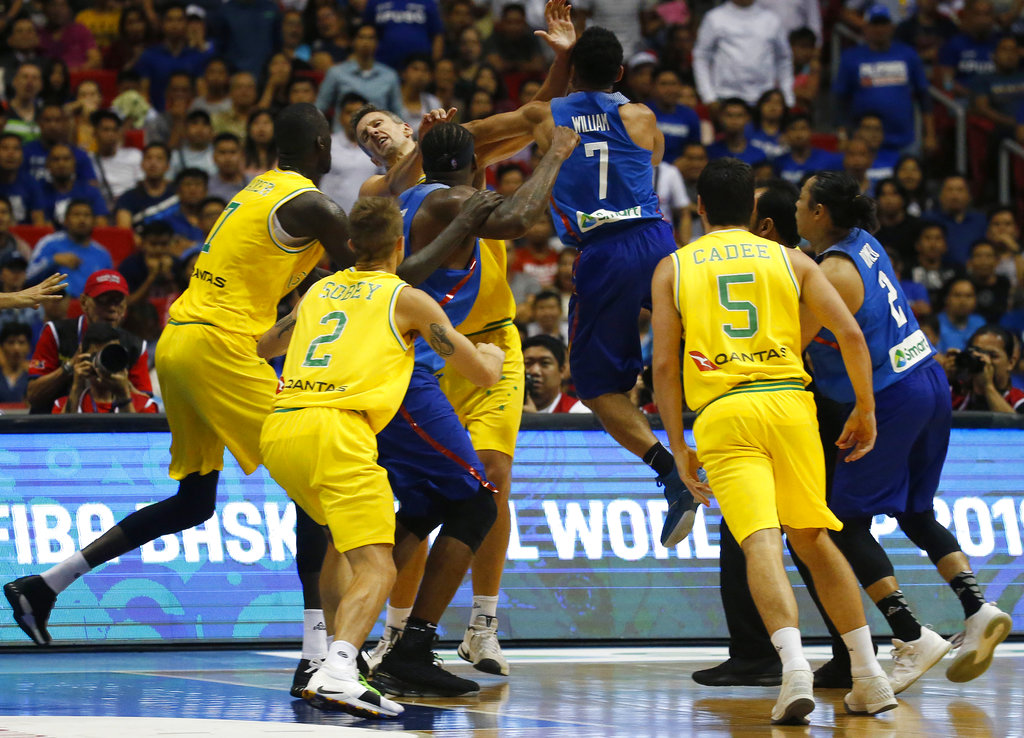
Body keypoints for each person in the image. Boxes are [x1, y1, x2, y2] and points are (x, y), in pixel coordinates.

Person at [2, 105, 356, 661]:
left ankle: (45, 585)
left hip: (180, 342)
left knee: (194, 503)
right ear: (321, 143)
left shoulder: (261, 188)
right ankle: (316, 655)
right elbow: (376, 265)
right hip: (220, 345)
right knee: (316, 483)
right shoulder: (312, 204)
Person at [355, 0, 576, 677]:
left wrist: (564, 56)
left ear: (403, 117)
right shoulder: (382, 187)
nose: (373, 136)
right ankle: (397, 630)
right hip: (424, 351)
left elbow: (540, 111)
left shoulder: (465, 151)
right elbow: (397, 189)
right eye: (363, 134)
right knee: (426, 499)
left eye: (378, 123)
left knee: (493, 481)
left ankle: (481, 624)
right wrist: (425, 148)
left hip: (491, 343)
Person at [651, 158, 895, 725]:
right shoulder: (792, 259)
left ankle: (794, 672)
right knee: (813, 537)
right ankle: (869, 673)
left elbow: (664, 365)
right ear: (756, 212)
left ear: (702, 209)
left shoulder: (673, 268)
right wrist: (866, 409)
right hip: (791, 404)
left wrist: (676, 446)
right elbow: (851, 334)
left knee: (761, 543)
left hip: (724, 411)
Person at [257, 194, 503, 718]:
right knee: (377, 567)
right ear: (399, 245)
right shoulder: (407, 298)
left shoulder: (320, 288)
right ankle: (341, 669)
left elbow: (266, 345)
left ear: (349, 246)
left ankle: (327, 659)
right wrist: (495, 353)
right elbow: (479, 375)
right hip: (338, 429)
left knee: (343, 549)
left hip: (282, 429)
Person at [467, 25, 704, 548]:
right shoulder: (642, 117)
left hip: (603, 252)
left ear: (571, 72)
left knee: (596, 388)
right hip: (657, 241)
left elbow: (473, 136)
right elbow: (651, 159)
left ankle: (670, 473)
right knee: (697, 338)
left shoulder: (544, 116)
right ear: (621, 73)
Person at [798, 170, 1012, 691]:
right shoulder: (865, 244)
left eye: (803, 202)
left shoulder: (835, 273)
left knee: (843, 521)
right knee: (915, 511)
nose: (797, 209)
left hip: (891, 397)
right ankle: (976, 608)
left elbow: (792, 341)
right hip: (927, 381)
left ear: (821, 213)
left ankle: (909, 634)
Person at [25, 268, 149, 415]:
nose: (112, 309)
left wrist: (124, 386)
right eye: (103, 301)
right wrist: (69, 367)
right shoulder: (58, 333)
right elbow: (33, 396)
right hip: (52, 424)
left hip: (112, 427)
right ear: (84, 302)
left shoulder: (135, 346)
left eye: (118, 301)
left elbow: (146, 404)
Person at [833, 4, 936, 154]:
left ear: (892, 27)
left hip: (904, 140)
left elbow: (923, 96)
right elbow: (840, 100)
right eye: (875, 24)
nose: (879, 29)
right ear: (866, 27)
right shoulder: (851, 58)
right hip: (863, 141)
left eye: (883, 24)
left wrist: (930, 134)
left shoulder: (907, 54)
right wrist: (842, 136)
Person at [692, 0, 795, 109]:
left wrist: (787, 96)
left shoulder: (771, 19)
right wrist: (708, 96)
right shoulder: (714, 18)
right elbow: (701, 57)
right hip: (725, 95)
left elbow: (784, 59)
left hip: (764, 98)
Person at [53, 322, 158, 414]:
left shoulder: (145, 405)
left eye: (110, 356)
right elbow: (60, 436)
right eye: (96, 356)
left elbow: (136, 437)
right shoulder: (62, 405)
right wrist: (77, 386)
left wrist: (123, 396)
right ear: (82, 359)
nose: (102, 362)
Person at [26, 199, 112, 296]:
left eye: (87, 215)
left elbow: (109, 289)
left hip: (90, 308)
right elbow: (28, 276)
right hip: (55, 306)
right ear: (66, 220)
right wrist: (53, 260)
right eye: (76, 215)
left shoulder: (102, 254)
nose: (82, 220)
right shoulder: (49, 243)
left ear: (94, 221)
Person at [316, 25, 402, 117]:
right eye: (361, 37)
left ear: (377, 43)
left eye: (371, 38)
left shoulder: (389, 75)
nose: (366, 42)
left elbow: (397, 112)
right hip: (343, 130)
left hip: (377, 130)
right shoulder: (336, 72)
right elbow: (320, 107)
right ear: (353, 41)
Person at [946, 324, 1024, 413]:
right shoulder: (953, 394)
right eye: (977, 353)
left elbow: (1013, 426)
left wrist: (988, 386)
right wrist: (944, 380)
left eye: (992, 355)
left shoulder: (1019, 401)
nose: (985, 360)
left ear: (1011, 362)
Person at [114, 143, 176, 230]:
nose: (153, 163)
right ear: (142, 164)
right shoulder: (127, 198)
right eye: (148, 158)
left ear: (168, 166)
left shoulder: (178, 194)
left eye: (159, 158)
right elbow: (124, 232)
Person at [522, 333, 588, 413]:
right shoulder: (506, 407)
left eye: (545, 363)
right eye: (528, 363)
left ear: (562, 370)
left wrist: (532, 420)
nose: (535, 371)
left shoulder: (577, 411)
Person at [89, 110, 143, 207]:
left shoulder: (134, 155)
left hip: (132, 206)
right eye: (106, 130)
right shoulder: (88, 161)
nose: (111, 134)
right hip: (103, 210)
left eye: (115, 130)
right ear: (95, 133)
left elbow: (143, 186)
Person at [706, 98, 768, 167]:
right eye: (729, 115)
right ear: (720, 118)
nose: (734, 120)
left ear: (747, 118)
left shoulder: (759, 155)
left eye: (739, 115)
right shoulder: (710, 152)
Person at [937, 278, 987, 353]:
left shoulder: (980, 323)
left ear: (975, 300)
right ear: (946, 298)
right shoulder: (935, 324)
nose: (963, 301)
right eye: (957, 295)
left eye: (968, 296)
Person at [0, 321, 31, 403]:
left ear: (29, 347)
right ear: (2, 347)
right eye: (11, 342)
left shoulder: (34, 378)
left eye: (21, 343)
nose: (16, 348)